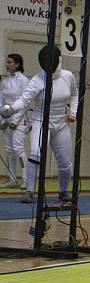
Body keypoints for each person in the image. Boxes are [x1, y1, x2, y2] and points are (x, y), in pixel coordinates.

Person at [1, 46, 77, 204]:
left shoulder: (68, 76)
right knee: (35, 154)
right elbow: (25, 99)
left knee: (65, 162)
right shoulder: (38, 79)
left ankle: (63, 192)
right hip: (41, 121)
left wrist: (73, 113)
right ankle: (29, 190)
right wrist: (12, 108)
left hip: (61, 123)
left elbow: (75, 94)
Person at [0, 54, 29, 189]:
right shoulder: (5, 81)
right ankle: (12, 179)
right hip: (6, 119)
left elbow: (25, 102)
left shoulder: (23, 80)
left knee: (18, 148)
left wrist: (16, 121)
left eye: (9, 62)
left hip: (19, 119)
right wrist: (2, 119)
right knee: (9, 150)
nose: (7, 64)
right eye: (7, 62)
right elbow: (1, 101)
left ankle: (25, 179)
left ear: (17, 64)